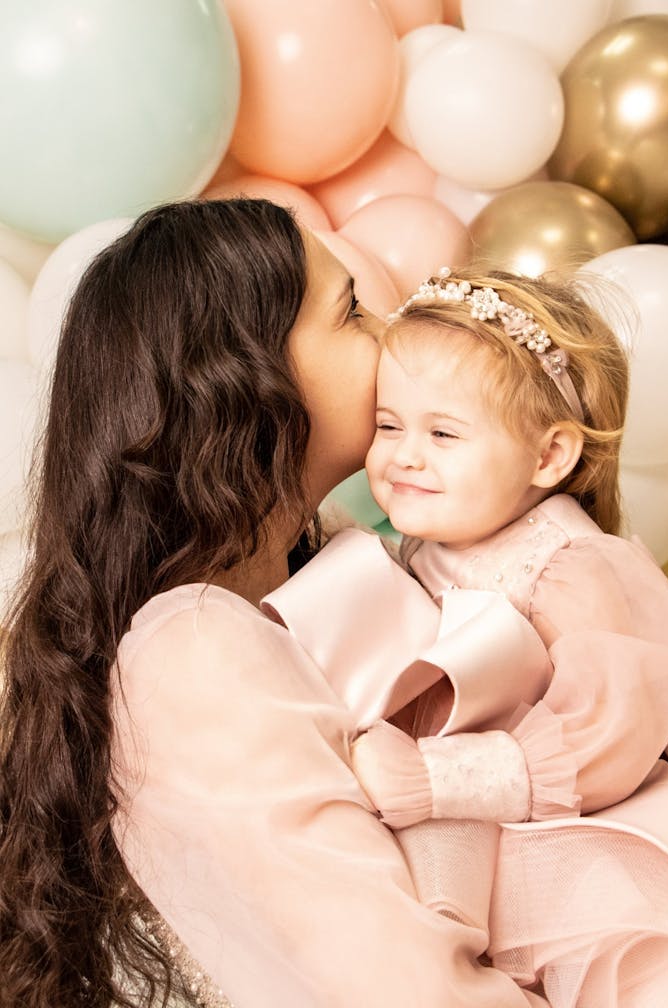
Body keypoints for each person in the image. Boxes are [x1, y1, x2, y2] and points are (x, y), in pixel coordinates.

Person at [0, 202, 550, 1008]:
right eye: (353, 312)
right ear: (248, 382)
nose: (393, 331)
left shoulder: (325, 570)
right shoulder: (193, 652)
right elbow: (408, 991)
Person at [270, 266, 668, 1006]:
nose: (404, 455)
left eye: (444, 433)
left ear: (549, 457)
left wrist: (435, 779)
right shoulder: (432, 538)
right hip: (415, 815)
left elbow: (609, 732)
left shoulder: (570, 567)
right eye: (389, 424)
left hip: (537, 836)